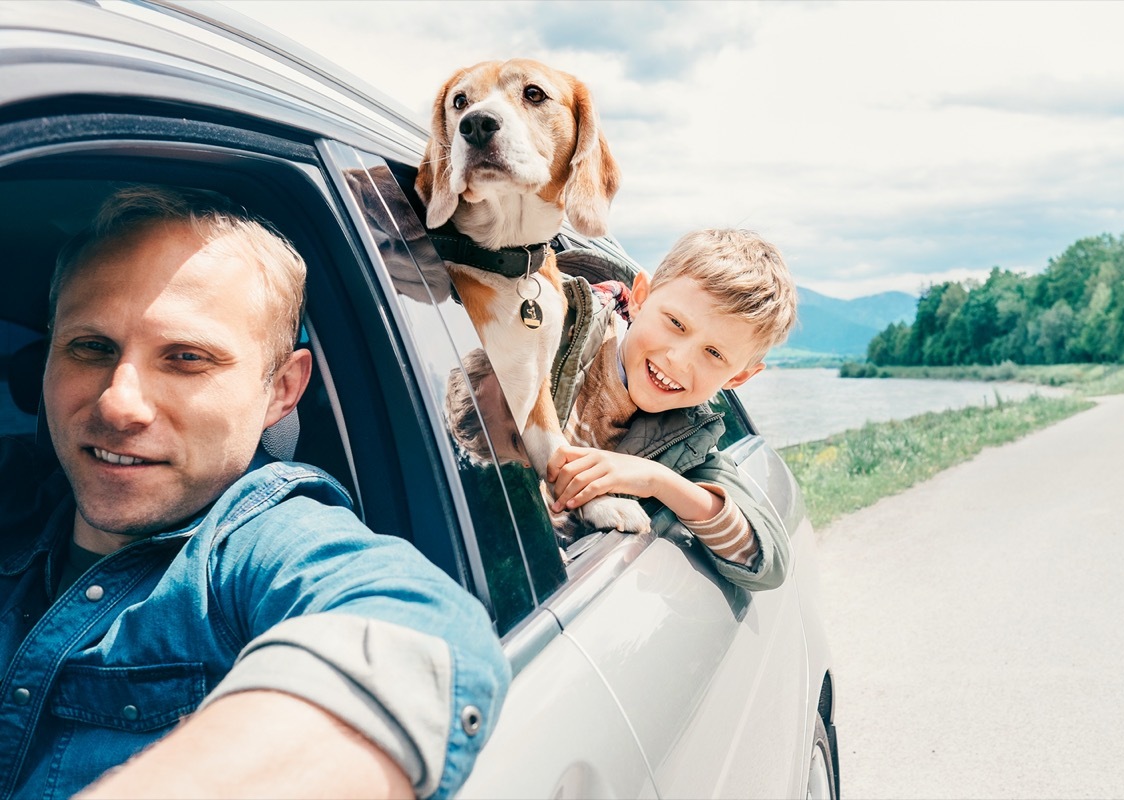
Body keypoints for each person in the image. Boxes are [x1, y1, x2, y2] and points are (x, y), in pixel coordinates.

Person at [0, 186, 509, 799]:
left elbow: (419, 627)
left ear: (282, 391)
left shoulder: (259, 541)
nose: (118, 404)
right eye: (91, 348)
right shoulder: (21, 492)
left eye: (186, 358)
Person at [544, 229, 799, 591]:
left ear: (739, 376)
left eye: (714, 354)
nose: (678, 360)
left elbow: (765, 562)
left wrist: (656, 480)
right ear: (641, 298)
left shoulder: (688, 444)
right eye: (676, 323)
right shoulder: (552, 328)